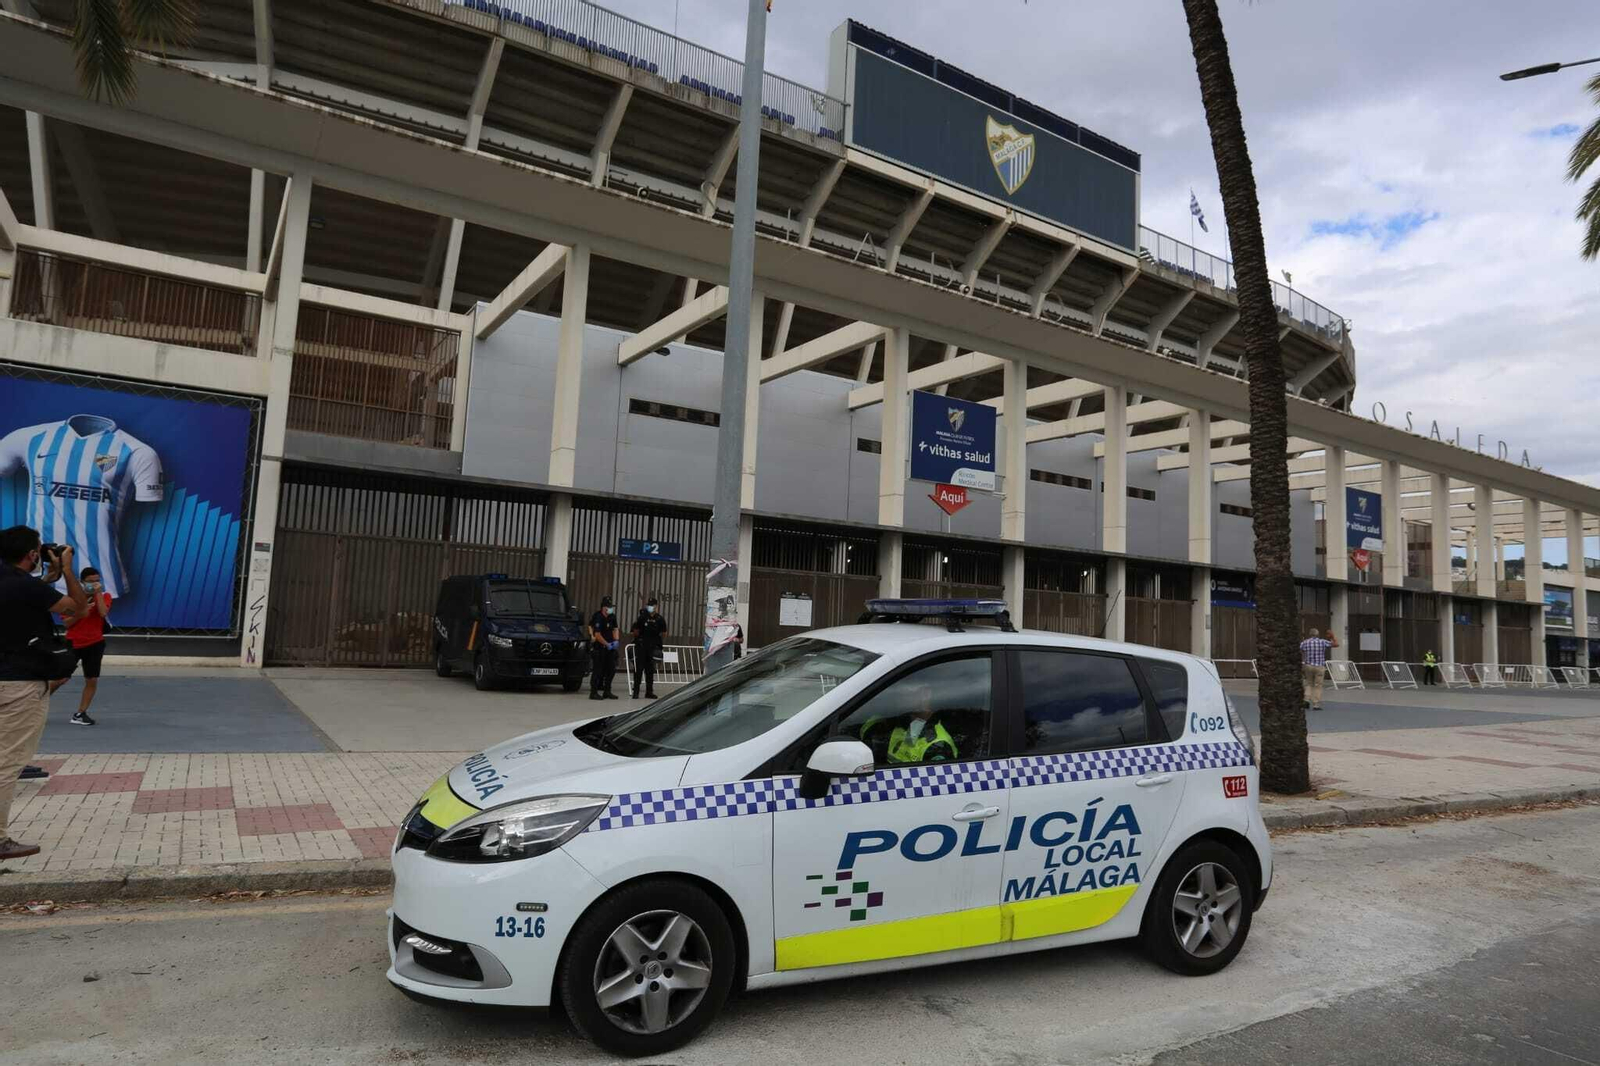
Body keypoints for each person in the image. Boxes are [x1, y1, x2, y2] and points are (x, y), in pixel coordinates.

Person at [0, 526, 88, 861]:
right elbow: (78, 609)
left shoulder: (20, 583)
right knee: (6, 764)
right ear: (32, 554)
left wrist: (47, 578)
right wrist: (67, 570)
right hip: (18, 683)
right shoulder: (26, 586)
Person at [49, 567, 111, 725]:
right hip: (74, 643)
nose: (94, 584)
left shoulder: (105, 596)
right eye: (90, 582)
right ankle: (33, 704)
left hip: (95, 643)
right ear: (82, 582)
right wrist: (82, 610)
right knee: (60, 678)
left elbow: (103, 613)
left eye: (97, 581)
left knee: (92, 679)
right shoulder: (72, 600)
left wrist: (98, 594)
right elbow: (67, 623)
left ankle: (80, 713)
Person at [886, 683, 959, 765]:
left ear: (926, 694)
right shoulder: (900, 724)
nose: (901, 693)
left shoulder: (937, 745)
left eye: (908, 688)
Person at [630, 596, 668, 700]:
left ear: (656, 607)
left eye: (653, 605)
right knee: (638, 669)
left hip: (653, 648)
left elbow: (664, 633)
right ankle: (636, 692)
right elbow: (636, 631)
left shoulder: (659, 619)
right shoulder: (642, 617)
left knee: (650, 670)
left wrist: (657, 641)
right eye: (649, 605)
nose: (651, 607)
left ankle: (649, 692)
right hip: (641, 646)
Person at [588, 595, 619, 701]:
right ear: (603, 607)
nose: (610, 609)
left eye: (611, 607)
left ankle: (607, 691)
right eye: (608, 607)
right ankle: (593, 692)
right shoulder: (598, 617)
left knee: (611, 669)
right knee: (598, 671)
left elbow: (615, 629)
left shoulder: (612, 617)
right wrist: (607, 644)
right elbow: (597, 635)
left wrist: (616, 640)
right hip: (600, 647)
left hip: (610, 648)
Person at [1299, 627, 1337, 712]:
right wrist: (1332, 636)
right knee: (1318, 685)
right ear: (1318, 634)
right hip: (1319, 666)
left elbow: (1300, 650)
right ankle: (1316, 704)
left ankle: (1306, 699)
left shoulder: (1305, 642)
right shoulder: (1322, 642)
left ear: (1310, 634)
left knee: (1309, 683)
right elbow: (1336, 644)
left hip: (1308, 665)